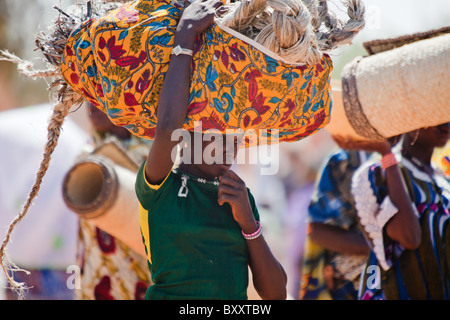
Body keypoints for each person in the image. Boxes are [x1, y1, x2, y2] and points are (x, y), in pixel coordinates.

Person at [134, 0, 287, 300]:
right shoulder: (160, 184)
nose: (232, 141)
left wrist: (250, 225)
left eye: (237, 132)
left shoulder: (239, 196)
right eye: (220, 128)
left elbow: (276, 295)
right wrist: (185, 36)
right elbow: (166, 127)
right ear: (189, 129)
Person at [350, 122, 450, 299]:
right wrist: (387, 156)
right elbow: (410, 237)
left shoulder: (443, 180)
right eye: (435, 119)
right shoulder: (378, 174)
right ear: (410, 121)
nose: (446, 126)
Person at [71, 103, 153, 300]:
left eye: (99, 99)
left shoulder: (151, 157)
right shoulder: (86, 153)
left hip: (137, 277)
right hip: (94, 276)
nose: (92, 108)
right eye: (88, 100)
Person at [299, 136, 371, 300]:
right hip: (352, 287)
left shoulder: (424, 161)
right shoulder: (344, 161)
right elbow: (319, 231)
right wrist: (385, 248)